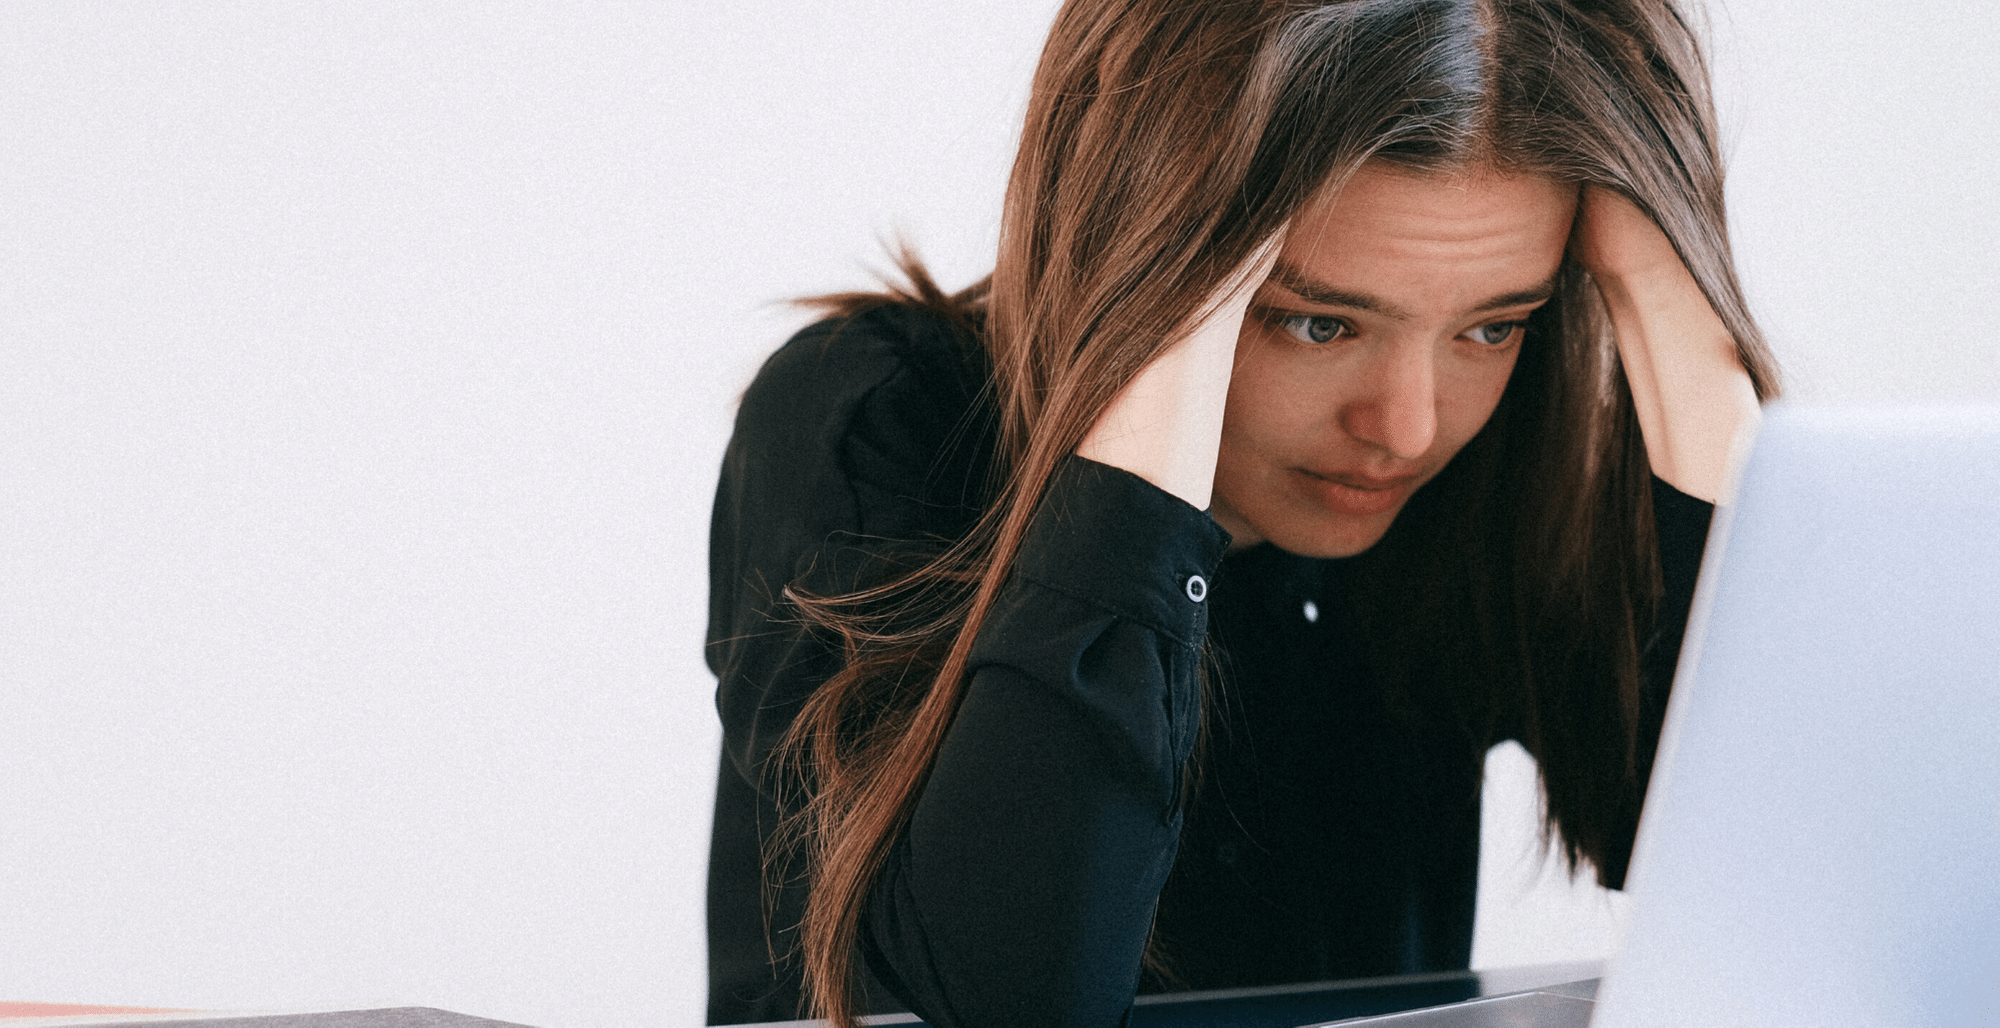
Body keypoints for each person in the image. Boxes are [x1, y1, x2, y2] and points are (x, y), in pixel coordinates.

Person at [705, 0, 1780, 1025]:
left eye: (1490, 327)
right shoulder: (870, 420)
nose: (1405, 426)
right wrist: (1148, 365)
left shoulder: (1490, 462)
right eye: (1315, 324)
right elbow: (1020, 991)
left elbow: (1775, 879)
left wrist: (1682, 319)